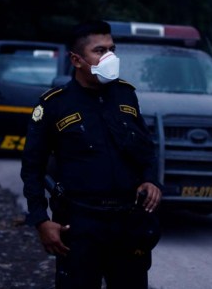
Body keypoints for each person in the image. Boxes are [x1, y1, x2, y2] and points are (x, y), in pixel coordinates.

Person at [20, 20, 163, 289]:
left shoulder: (126, 95)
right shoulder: (55, 104)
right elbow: (32, 168)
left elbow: (146, 149)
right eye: (99, 51)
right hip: (80, 225)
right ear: (76, 60)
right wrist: (40, 220)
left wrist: (150, 180)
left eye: (112, 49)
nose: (109, 57)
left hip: (128, 223)